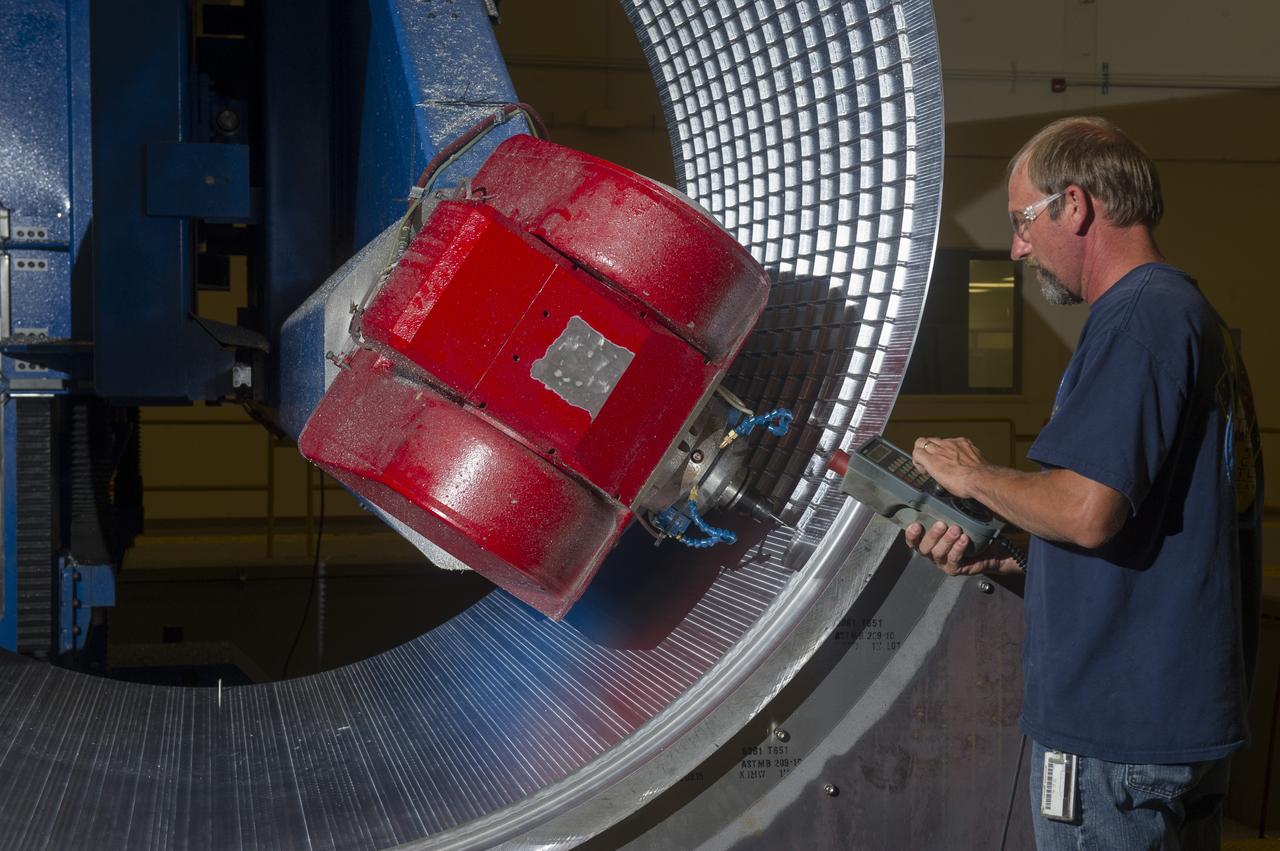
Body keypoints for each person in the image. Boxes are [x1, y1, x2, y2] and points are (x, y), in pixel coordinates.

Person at [905, 116, 1263, 850]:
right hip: (1167, 728)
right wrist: (1009, 554)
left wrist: (972, 474)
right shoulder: (1190, 319)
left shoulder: (1140, 317)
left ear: (1076, 204)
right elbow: (1148, 534)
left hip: (1116, 737)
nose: (1017, 247)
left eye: (1021, 221)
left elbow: (1086, 508)